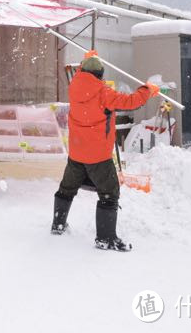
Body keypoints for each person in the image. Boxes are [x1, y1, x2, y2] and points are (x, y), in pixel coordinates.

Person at [51, 51, 159, 252]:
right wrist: (147, 90)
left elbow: (85, 77)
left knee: (66, 190)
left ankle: (58, 224)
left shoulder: (74, 86)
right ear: (99, 75)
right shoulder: (103, 93)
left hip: (77, 152)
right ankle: (105, 238)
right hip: (98, 155)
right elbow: (131, 101)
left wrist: (88, 59)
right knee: (109, 194)